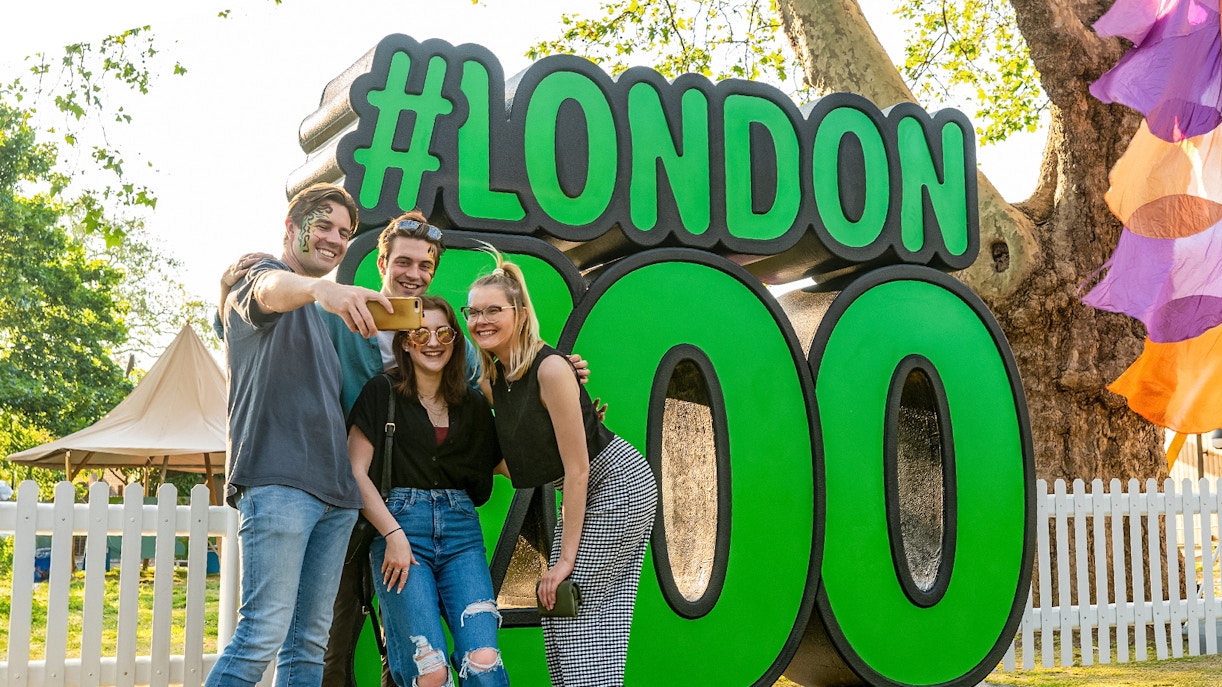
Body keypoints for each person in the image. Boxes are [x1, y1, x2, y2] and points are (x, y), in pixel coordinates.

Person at [207, 183, 392, 687]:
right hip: (279, 482)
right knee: (261, 635)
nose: (336, 239)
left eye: (346, 233)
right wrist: (317, 288)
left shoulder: (317, 315)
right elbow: (269, 290)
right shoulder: (260, 277)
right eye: (325, 226)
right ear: (292, 228)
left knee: (308, 647)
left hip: (337, 495)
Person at [465, 246, 658, 686]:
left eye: (493, 310)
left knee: (569, 599)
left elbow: (578, 469)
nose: (481, 321)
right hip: (595, 481)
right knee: (578, 610)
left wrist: (564, 558)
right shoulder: (496, 382)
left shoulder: (550, 368)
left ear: (519, 313)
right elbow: (520, 462)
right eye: (473, 312)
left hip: (615, 481)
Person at [347, 296, 508, 687]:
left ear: (456, 341)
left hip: (461, 537)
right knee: (430, 671)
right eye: (420, 332)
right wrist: (393, 535)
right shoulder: (381, 392)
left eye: (443, 332)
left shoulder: (471, 404)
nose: (432, 341)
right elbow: (354, 473)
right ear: (404, 341)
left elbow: (516, 466)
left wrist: (568, 414)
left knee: (483, 659)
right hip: (400, 533)